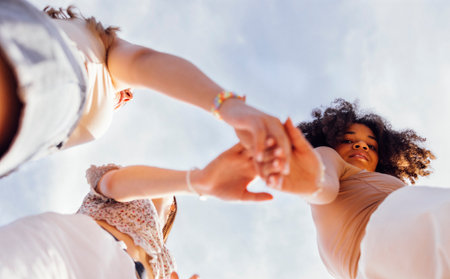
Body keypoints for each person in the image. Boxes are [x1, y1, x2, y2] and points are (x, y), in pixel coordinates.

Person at [0, 1, 290, 187]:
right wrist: (230, 107)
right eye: (127, 93)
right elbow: (144, 63)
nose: (129, 98)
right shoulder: (101, 48)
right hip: (37, 60)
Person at [0, 143, 272, 279]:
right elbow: (117, 184)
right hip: (74, 249)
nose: (163, 190)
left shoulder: (164, 259)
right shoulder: (116, 186)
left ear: (170, 215)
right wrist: (194, 181)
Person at [259, 99, 448, 279]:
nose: (361, 145)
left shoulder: (381, 182)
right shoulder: (327, 155)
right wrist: (306, 180)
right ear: (330, 143)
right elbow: (323, 186)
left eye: (371, 146)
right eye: (348, 140)